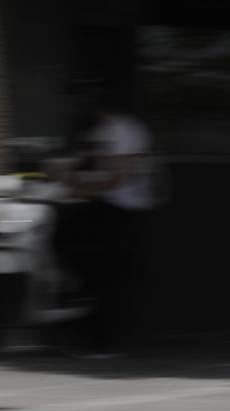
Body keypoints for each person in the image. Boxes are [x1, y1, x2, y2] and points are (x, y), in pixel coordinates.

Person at [62, 83, 159, 357]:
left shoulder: (125, 130)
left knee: (109, 274)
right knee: (94, 267)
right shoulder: (102, 130)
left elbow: (120, 177)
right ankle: (91, 334)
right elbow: (92, 166)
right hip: (104, 206)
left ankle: (102, 341)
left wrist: (81, 189)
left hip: (122, 209)